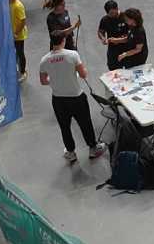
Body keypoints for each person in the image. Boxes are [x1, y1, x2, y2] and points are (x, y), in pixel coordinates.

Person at [38, 31, 105, 163]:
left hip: (58, 100)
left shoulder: (44, 60)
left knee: (65, 126)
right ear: (63, 40)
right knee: (85, 123)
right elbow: (84, 74)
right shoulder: (72, 55)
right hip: (76, 97)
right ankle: (93, 148)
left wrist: (56, 79)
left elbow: (43, 81)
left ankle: (71, 152)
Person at [9, 0, 28, 81]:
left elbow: (23, 21)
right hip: (11, 33)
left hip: (18, 35)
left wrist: (16, 33)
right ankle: (15, 68)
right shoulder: (9, 3)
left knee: (20, 53)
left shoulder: (18, 6)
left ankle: (23, 72)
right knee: (14, 53)